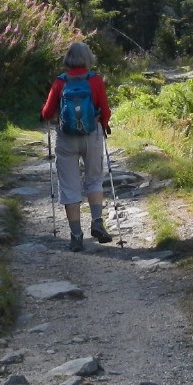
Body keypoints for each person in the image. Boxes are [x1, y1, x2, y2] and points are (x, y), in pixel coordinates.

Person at [40, 39, 112, 251]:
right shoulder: (95, 80)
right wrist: (103, 125)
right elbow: (105, 110)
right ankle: (97, 221)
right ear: (88, 58)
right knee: (94, 179)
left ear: (68, 59)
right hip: (91, 135)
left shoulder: (60, 82)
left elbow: (47, 113)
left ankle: (76, 235)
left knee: (69, 186)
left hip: (66, 139)